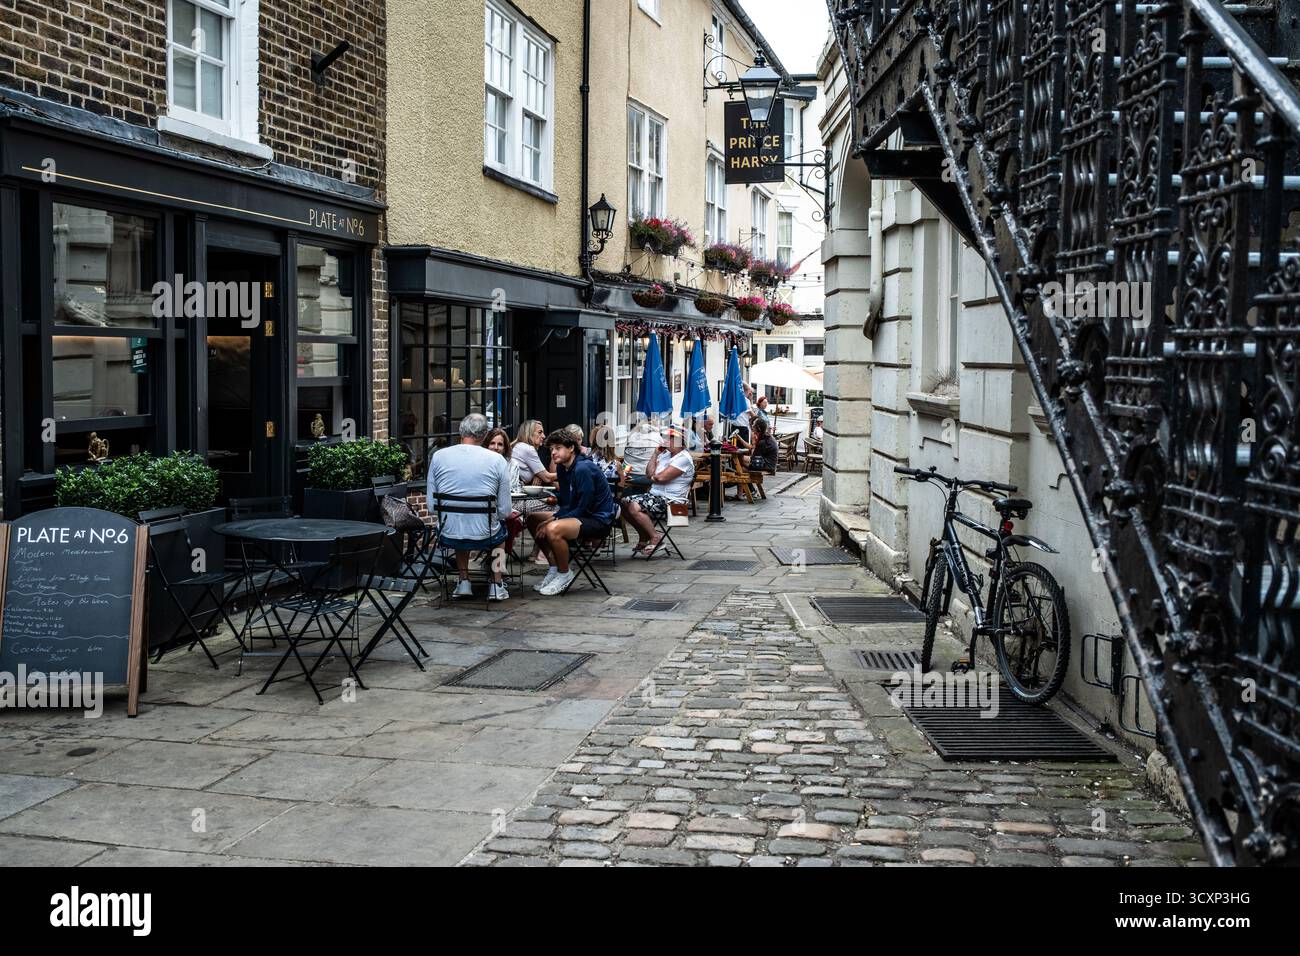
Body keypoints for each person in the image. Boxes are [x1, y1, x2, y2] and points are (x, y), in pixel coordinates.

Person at [426, 413, 513, 601]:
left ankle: (464, 580)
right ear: (484, 436)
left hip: (449, 534)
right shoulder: (497, 460)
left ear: (460, 432)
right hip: (486, 534)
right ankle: (497, 584)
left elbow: (432, 507)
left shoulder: (439, 456)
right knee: (501, 530)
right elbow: (505, 511)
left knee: (458, 522)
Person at [531, 429, 620, 595]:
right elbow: (567, 503)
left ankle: (565, 574)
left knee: (552, 528)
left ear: (571, 448)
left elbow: (583, 507)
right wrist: (554, 515)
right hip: (580, 515)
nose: (553, 453)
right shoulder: (562, 469)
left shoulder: (582, 468)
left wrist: (553, 521)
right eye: (551, 449)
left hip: (598, 520)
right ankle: (554, 568)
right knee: (534, 519)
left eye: (557, 448)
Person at [623, 426, 695, 557]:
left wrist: (655, 477)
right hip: (655, 495)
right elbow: (648, 473)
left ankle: (655, 537)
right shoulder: (664, 455)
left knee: (634, 506)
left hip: (672, 500)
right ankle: (644, 536)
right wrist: (655, 454)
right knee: (623, 504)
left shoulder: (683, 458)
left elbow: (661, 478)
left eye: (670, 439)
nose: (665, 441)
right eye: (666, 438)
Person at [485, 427, 527, 557]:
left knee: (512, 520)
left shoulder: (512, 463)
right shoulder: (480, 463)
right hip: (484, 509)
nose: (496, 447)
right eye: (492, 443)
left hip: (507, 505)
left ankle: (498, 560)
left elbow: (512, 489)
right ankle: (496, 564)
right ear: (486, 444)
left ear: (505, 447)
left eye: (500, 444)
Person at [511, 420, 556, 486]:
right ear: (529, 433)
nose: (544, 436)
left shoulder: (519, 446)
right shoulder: (528, 449)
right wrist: (567, 473)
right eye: (540, 432)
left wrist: (537, 474)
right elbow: (547, 478)